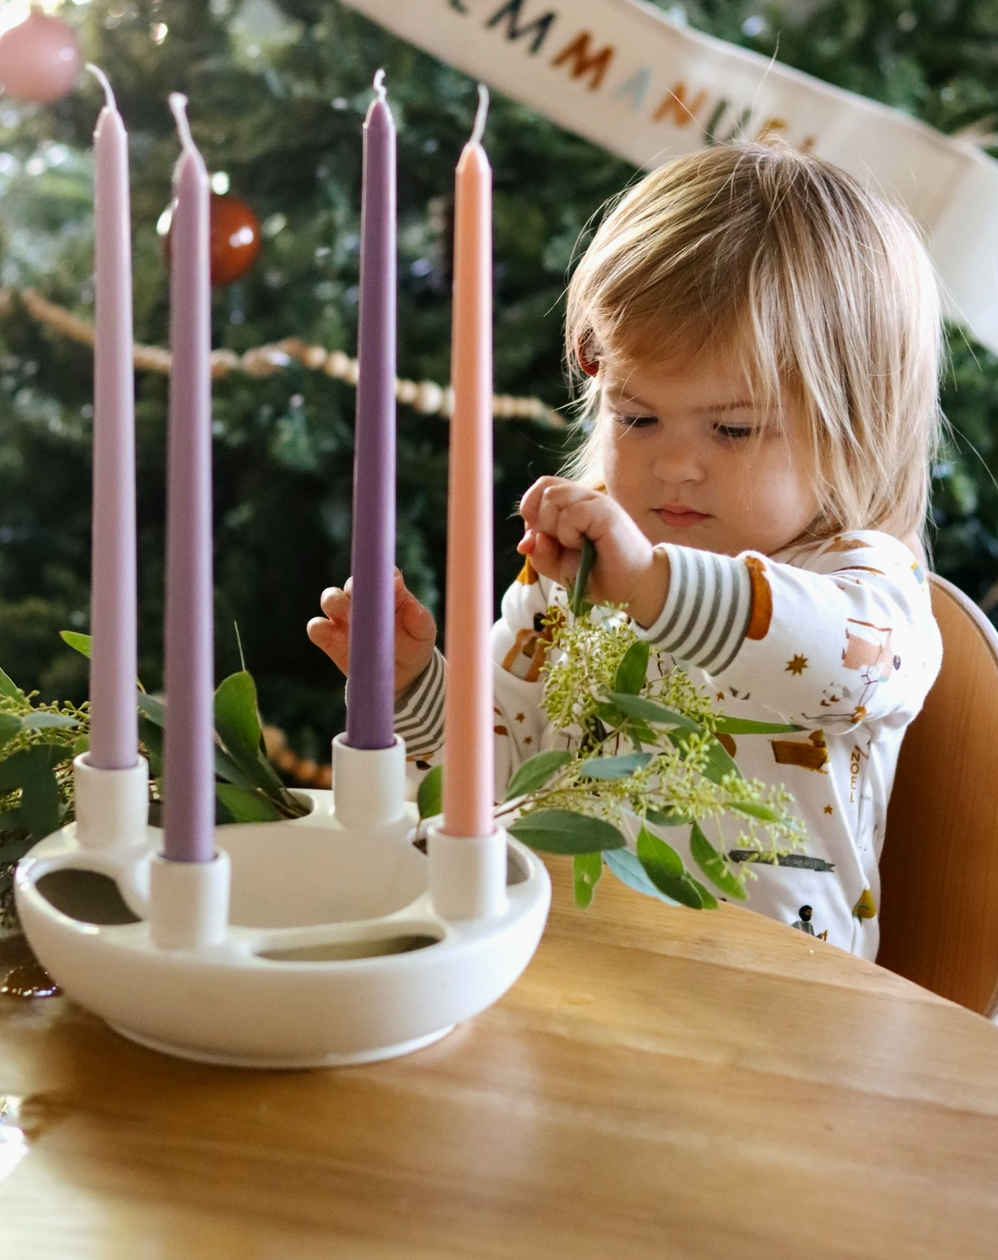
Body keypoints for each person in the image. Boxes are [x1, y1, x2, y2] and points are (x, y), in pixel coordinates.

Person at [308, 141, 943, 959]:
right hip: (565, 975)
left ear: (857, 425)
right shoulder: (573, 578)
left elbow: (842, 667)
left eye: (734, 428)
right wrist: (416, 691)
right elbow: (498, 780)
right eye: (636, 418)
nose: (674, 463)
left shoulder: (866, 583)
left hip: (781, 1022)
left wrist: (654, 588)